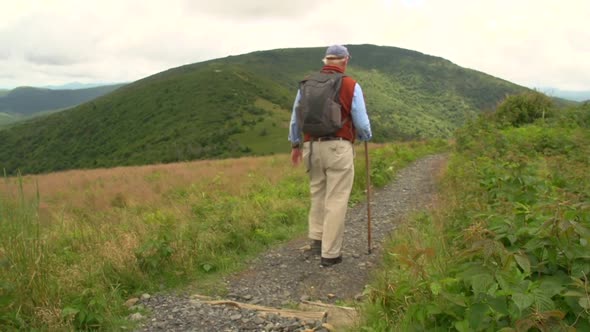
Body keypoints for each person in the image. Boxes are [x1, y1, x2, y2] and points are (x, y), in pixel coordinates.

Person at [288, 45, 372, 267]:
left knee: (318, 193)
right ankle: (330, 253)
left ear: (325, 61)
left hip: (311, 146)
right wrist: (366, 136)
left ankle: (316, 240)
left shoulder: (306, 84)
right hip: (338, 147)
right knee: (336, 199)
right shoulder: (350, 84)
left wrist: (296, 145)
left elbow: (295, 118)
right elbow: (361, 122)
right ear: (345, 61)